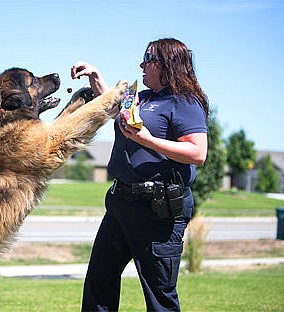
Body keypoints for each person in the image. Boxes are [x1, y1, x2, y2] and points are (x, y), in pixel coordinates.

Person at [71, 38, 209, 311]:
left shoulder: (184, 102)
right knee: (99, 283)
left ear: (166, 64)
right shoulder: (140, 97)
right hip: (122, 204)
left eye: (148, 59)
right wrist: (95, 75)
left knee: (159, 295)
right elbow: (113, 107)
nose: (142, 65)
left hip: (158, 210)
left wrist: (149, 141)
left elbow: (197, 153)